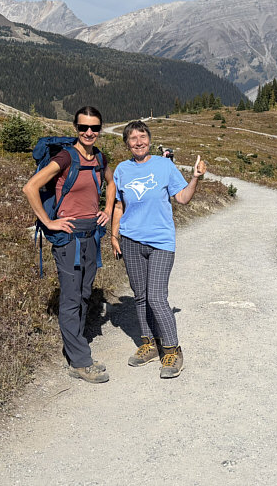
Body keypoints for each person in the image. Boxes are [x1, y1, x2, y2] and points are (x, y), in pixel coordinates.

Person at [22, 106, 115, 384]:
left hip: (92, 235)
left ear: (99, 130)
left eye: (95, 128)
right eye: (84, 127)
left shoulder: (99, 157)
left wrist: (107, 210)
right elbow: (30, 187)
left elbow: (111, 184)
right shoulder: (66, 157)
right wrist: (49, 223)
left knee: (85, 293)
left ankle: (75, 344)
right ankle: (79, 361)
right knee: (72, 297)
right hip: (69, 238)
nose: (89, 133)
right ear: (75, 128)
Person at [110, 120, 205, 379]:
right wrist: (114, 234)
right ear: (127, 143)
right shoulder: (122, 170)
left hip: (161, 242)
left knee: (156, 298)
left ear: (149, 140)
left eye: (142, 137)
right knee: (139, 296)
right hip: (130, 240)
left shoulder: (164, 165)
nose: (138, 142)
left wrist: (195, 177)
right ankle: (149, 344)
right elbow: (119, 206)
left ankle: (173, 349)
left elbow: (183, 198)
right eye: (132, 138)